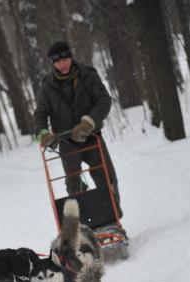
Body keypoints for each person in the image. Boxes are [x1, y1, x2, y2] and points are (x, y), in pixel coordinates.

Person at [34, 40, 123, 218]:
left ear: (71, 57)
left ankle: (112, 217)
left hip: (92, 136)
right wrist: (43, 134)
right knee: (74, 185)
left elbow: (104, 100)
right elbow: (40, 114)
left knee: (106, 178)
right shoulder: (47, 85)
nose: (62, 64)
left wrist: (90, 121)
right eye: (58, 61)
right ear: (53, 63)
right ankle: (85, 222)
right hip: (67, 142)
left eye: (65, 59)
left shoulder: (87, 75)